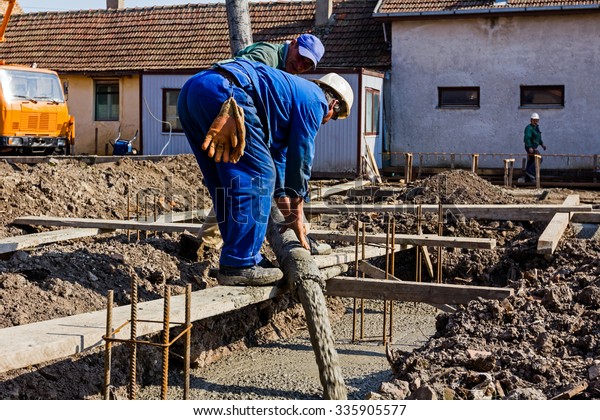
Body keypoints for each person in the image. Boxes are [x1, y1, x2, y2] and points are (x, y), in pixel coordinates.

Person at [177, 59, 353, 286]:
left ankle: (237, 256)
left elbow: (280, 163)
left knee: (225, 181)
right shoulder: (316, 101)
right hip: (227, 92)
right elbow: (301, 158)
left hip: (194, 90)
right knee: (258, 175)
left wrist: (290, 216)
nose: (326, 122)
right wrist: (299, 214)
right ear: (333, 105)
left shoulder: (291, 96)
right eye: (333, 118)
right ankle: (240, 262)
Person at [198, 33, 329, 255]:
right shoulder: (267, 55)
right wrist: (295, 209)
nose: (299, 66)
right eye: (300, 58)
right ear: (293, 42)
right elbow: (241, 78)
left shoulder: (288, 83)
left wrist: (291, 214)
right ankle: (242, 258)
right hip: (229, 107)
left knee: (237, 183)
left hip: (219, 102)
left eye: (307, 65)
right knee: (254, 180)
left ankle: (210, 243)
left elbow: (280, 158)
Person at [523, 112, 546, 181]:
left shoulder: (536, 128)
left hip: (534, 147)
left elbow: (538, 137)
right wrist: (530, 147)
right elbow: (527, 138)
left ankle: (528, 177)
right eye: (534, 120)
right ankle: (531, 172)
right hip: (530, 147)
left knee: (531, 160)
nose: (536, 122)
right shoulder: (529, 128)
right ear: (531, 120)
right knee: (539, 159)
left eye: (537, 120)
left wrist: (542, 144)